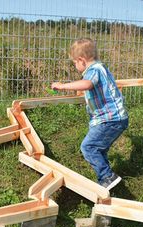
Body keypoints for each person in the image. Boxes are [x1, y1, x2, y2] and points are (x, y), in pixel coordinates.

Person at [51, 38, 128, 190]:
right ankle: (105, 184)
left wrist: (62, 86)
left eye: (74, 62)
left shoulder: (93, 70)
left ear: (81, 60)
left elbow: (87, 84)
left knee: (88, 147)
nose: (75, 65)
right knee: (99, 150)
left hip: (109, 119)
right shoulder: (101, 68)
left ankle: (107, 177)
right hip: (115, 118)